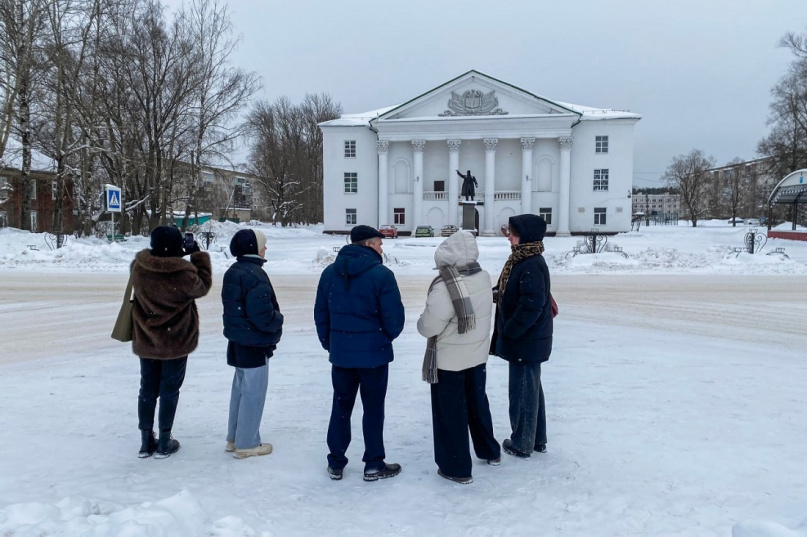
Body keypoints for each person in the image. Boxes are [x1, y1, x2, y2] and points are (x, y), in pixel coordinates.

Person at [314, 225, 406, 481]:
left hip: (342, 355)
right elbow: (395, 319)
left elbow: (321, 314)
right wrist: (383, 338)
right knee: (373, 409)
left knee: (341, 406)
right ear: (368, 244)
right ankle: (374, 462)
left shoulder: (330, 273)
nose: (382, 247)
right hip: (373, 356)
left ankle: (336, 461)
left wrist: (331, 343)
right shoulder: (382, 275)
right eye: (379, 243)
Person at [417, 231, 500, 484]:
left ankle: (456, 467)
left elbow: (430, 326)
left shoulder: (445, 286)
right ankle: (489, 450)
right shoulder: (482, 277)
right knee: (477, 405)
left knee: (450, 414)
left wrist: (420, 323)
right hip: (476, 356)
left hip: (449, 361)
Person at [131, 225, 212, 458]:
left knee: (147, 389)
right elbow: (203, 286)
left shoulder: (138, 268)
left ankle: (146, 441)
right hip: (176, 341)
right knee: (169, 390)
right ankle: (165, 441)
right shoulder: (185, 273)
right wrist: (197, 256)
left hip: (147, 339)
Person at [490, 214, 553, 459]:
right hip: (529, 339)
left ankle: (522, 443)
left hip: (526, 340)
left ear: (524, 236)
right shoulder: (522, 260)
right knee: (531, 388)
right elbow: (512, 292)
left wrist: (511, 330)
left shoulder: (531, 264)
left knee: (523, 391)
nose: (509, 237)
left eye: (513, 233)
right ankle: (536, 439)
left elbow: (531, 304)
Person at [221, 229, 284, 459]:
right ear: (253, 249)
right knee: (253, 393)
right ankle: (247, 442)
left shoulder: (234, 271)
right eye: (262, 245)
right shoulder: (254, 274)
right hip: (253, 342)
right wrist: (279, 320)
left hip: (238, 341)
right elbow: (263, 315)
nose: (265, 249)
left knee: (240, 389)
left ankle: (234, 437)